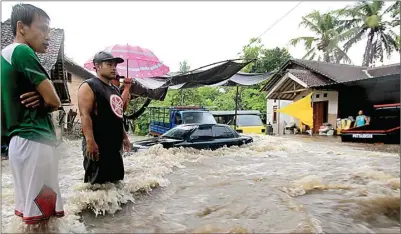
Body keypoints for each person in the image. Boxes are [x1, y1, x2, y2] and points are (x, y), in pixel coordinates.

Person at [1, 3, 64, 228]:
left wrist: (41, 100)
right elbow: (54, 101)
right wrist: (45, 100)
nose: (48, 35)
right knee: (42, 216)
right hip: (35, 142)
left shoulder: (4, 56)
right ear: (22, 27)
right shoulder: (22, 51)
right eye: (43, 28)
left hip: (19, 144)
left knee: (31, 213)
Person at [78, 51, 131, 185]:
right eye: (109, 64)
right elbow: (85, 115)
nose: (114, 68)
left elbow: (118, 116)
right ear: (98, 66)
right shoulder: (89, 86)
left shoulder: (114, 89)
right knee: (96, 185)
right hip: (97, 144)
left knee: (116, 183)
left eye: (115, 65)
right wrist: (90, 141)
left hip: (114, 145)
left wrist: (124, 137)